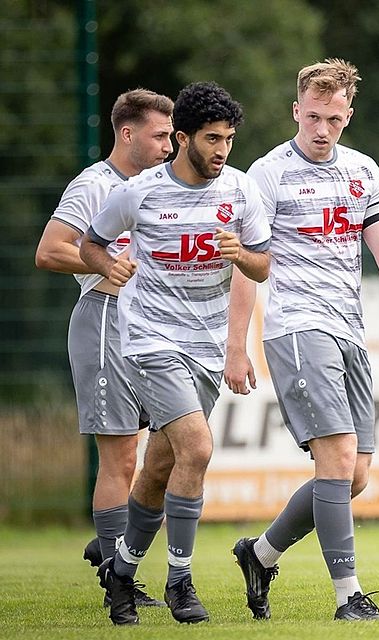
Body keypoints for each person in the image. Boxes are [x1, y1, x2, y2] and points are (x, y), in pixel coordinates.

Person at [226, 59, 379, 622]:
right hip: (298, 328)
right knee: (339, 456)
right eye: (313, 117)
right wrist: (236, 344)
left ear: (349, 115)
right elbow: (249, 264)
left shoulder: (363, 171)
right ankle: (349, 595)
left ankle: (260, 554)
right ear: (296, 111)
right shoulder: (267, 174)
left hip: (349, 328)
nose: (322, 130)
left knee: (355, 474)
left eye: (334, 119)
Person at [80, 81, 271, 626]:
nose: (222, 150)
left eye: (229, 139)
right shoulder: (139, 192)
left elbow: (263, 265)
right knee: (199, 448)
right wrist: (108, 265)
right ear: (182, 138)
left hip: (205, 348)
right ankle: (180, 580)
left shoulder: (241, 189)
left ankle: (121, 571)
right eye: (212, 138)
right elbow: (91, 243)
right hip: (150, 341)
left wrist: (241, 255)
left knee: (161, 465)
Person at [35, 89, 174, 608]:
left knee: (173, 449)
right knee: (120, 456)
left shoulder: (162, 185)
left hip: (155, 326)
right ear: (127, 133)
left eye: (171, 136)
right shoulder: (95, 184)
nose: (168, 146)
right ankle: (120, 579)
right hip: (105, 320)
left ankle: (112, 544)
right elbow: (50, 250)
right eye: (160, 136)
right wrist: (107, 265)